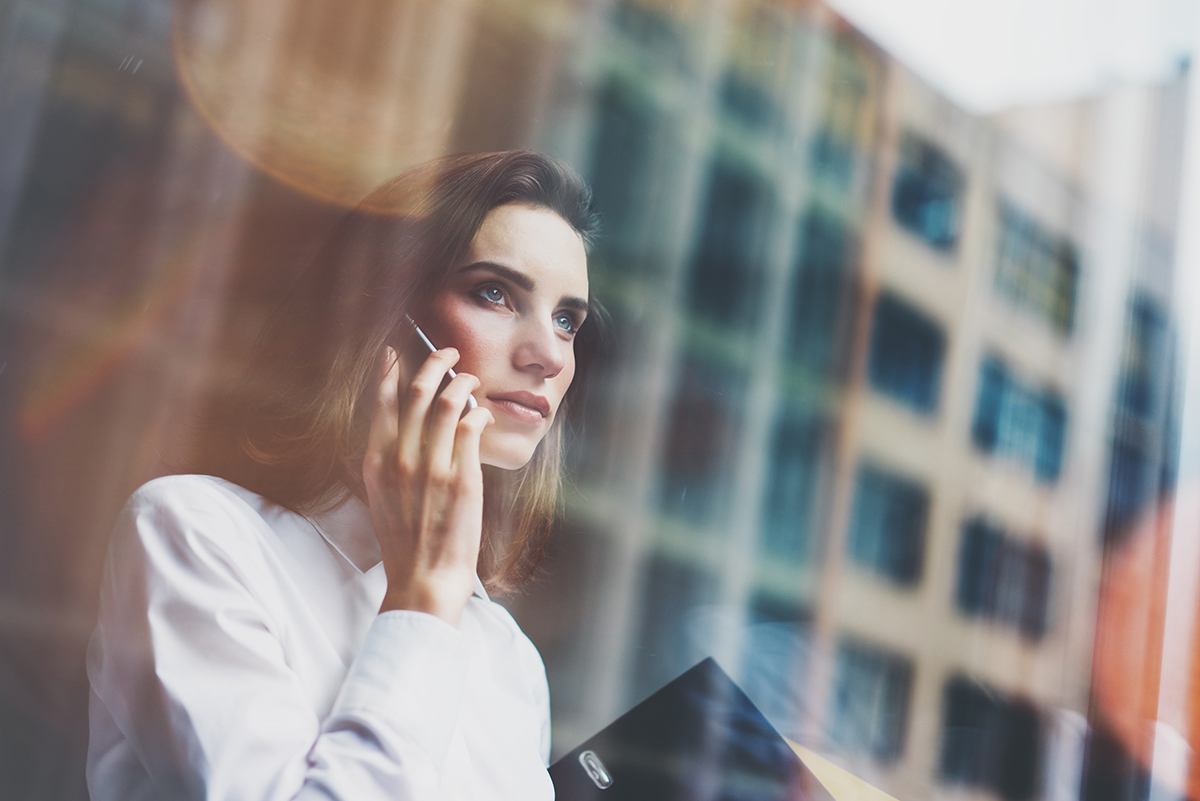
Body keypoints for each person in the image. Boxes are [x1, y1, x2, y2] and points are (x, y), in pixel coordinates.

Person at [85, 150, 602, 800]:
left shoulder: (509, 658)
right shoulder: (192, 533)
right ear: (387, 310)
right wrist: (422, 602)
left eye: (567, 320)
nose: (549, 355)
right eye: (494, 293)